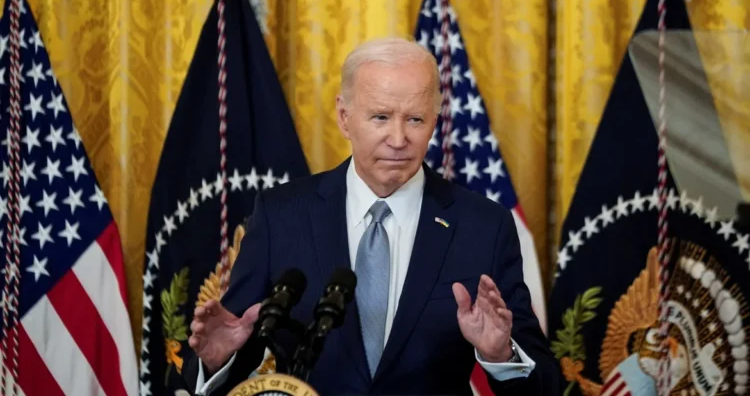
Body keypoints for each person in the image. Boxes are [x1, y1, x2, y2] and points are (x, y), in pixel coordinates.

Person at [181, 37, 560, 395]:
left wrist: (500, 355)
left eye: (415, 119)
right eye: (380, 117)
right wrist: (216, 361)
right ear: (344, 117)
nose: (398, 139)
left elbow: (545, 385)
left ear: (435, 120)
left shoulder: (484, 226)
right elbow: (236, 339)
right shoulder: (282, 215)